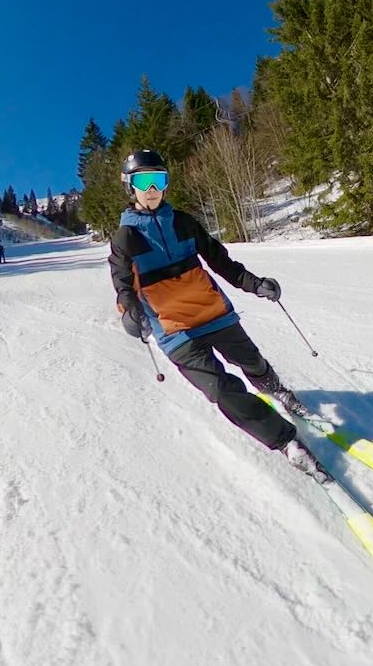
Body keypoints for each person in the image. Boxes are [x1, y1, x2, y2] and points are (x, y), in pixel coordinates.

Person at [108, 149, 325, 481]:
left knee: (252, 362)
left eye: (158, 180)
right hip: (175, 331)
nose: (151, 189)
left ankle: (275, 389)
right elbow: (122, 282)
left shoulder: (183, 222)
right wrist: (129, 311)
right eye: (143, 181)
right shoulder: (125, 237)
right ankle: (285, 442)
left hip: (214, 313)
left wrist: (255, 284)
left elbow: (220, 261)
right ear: (130, 186)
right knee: (222, 391)